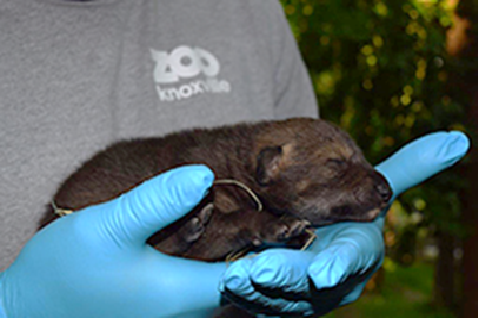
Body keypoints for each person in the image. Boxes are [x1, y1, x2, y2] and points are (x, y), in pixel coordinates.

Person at [0, 0, 469, 317]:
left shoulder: (251, 10)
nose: (355, 173)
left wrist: (327, 234)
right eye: (336, 166)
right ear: (269, 166)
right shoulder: (215, 170)